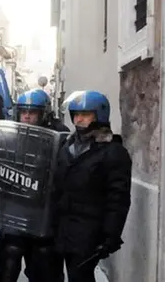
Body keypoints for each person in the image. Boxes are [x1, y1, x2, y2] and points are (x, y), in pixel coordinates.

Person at [0, 89, 65, 282]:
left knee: (43, 264)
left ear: (43, 113)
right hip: (15, 208)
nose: (27, 116)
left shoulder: (58, 137)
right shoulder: (10, 136)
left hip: (41, 211)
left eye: (33, 112)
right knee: (9, 257)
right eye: (24, 112)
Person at [53, 91, 131, 281]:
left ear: (99, 116)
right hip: (62, 229)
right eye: (76, 115)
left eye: (86, 115)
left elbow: (118, 197)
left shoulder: (112, 151)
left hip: (88, 231)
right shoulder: (66, 145)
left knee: (80, 276)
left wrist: (110, 235)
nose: (79, 119)